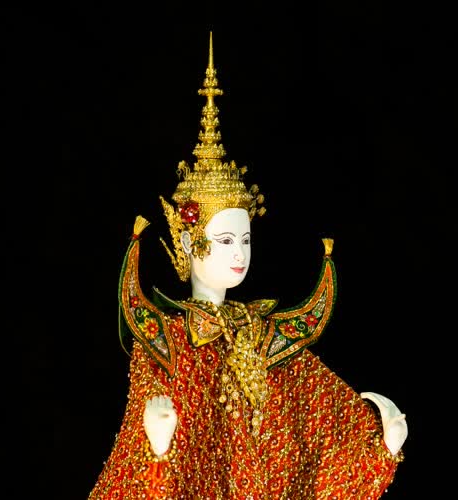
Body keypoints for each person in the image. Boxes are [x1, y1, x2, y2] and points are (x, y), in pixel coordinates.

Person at [88, 33, 407, 500]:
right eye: (224, 241)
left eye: (245, 240)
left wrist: (379, 443)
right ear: (188, 242)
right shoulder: (166, 339)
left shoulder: (257, 333)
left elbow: (314, 405)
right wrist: (157, 443)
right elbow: (142, 426)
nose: (238, 254)